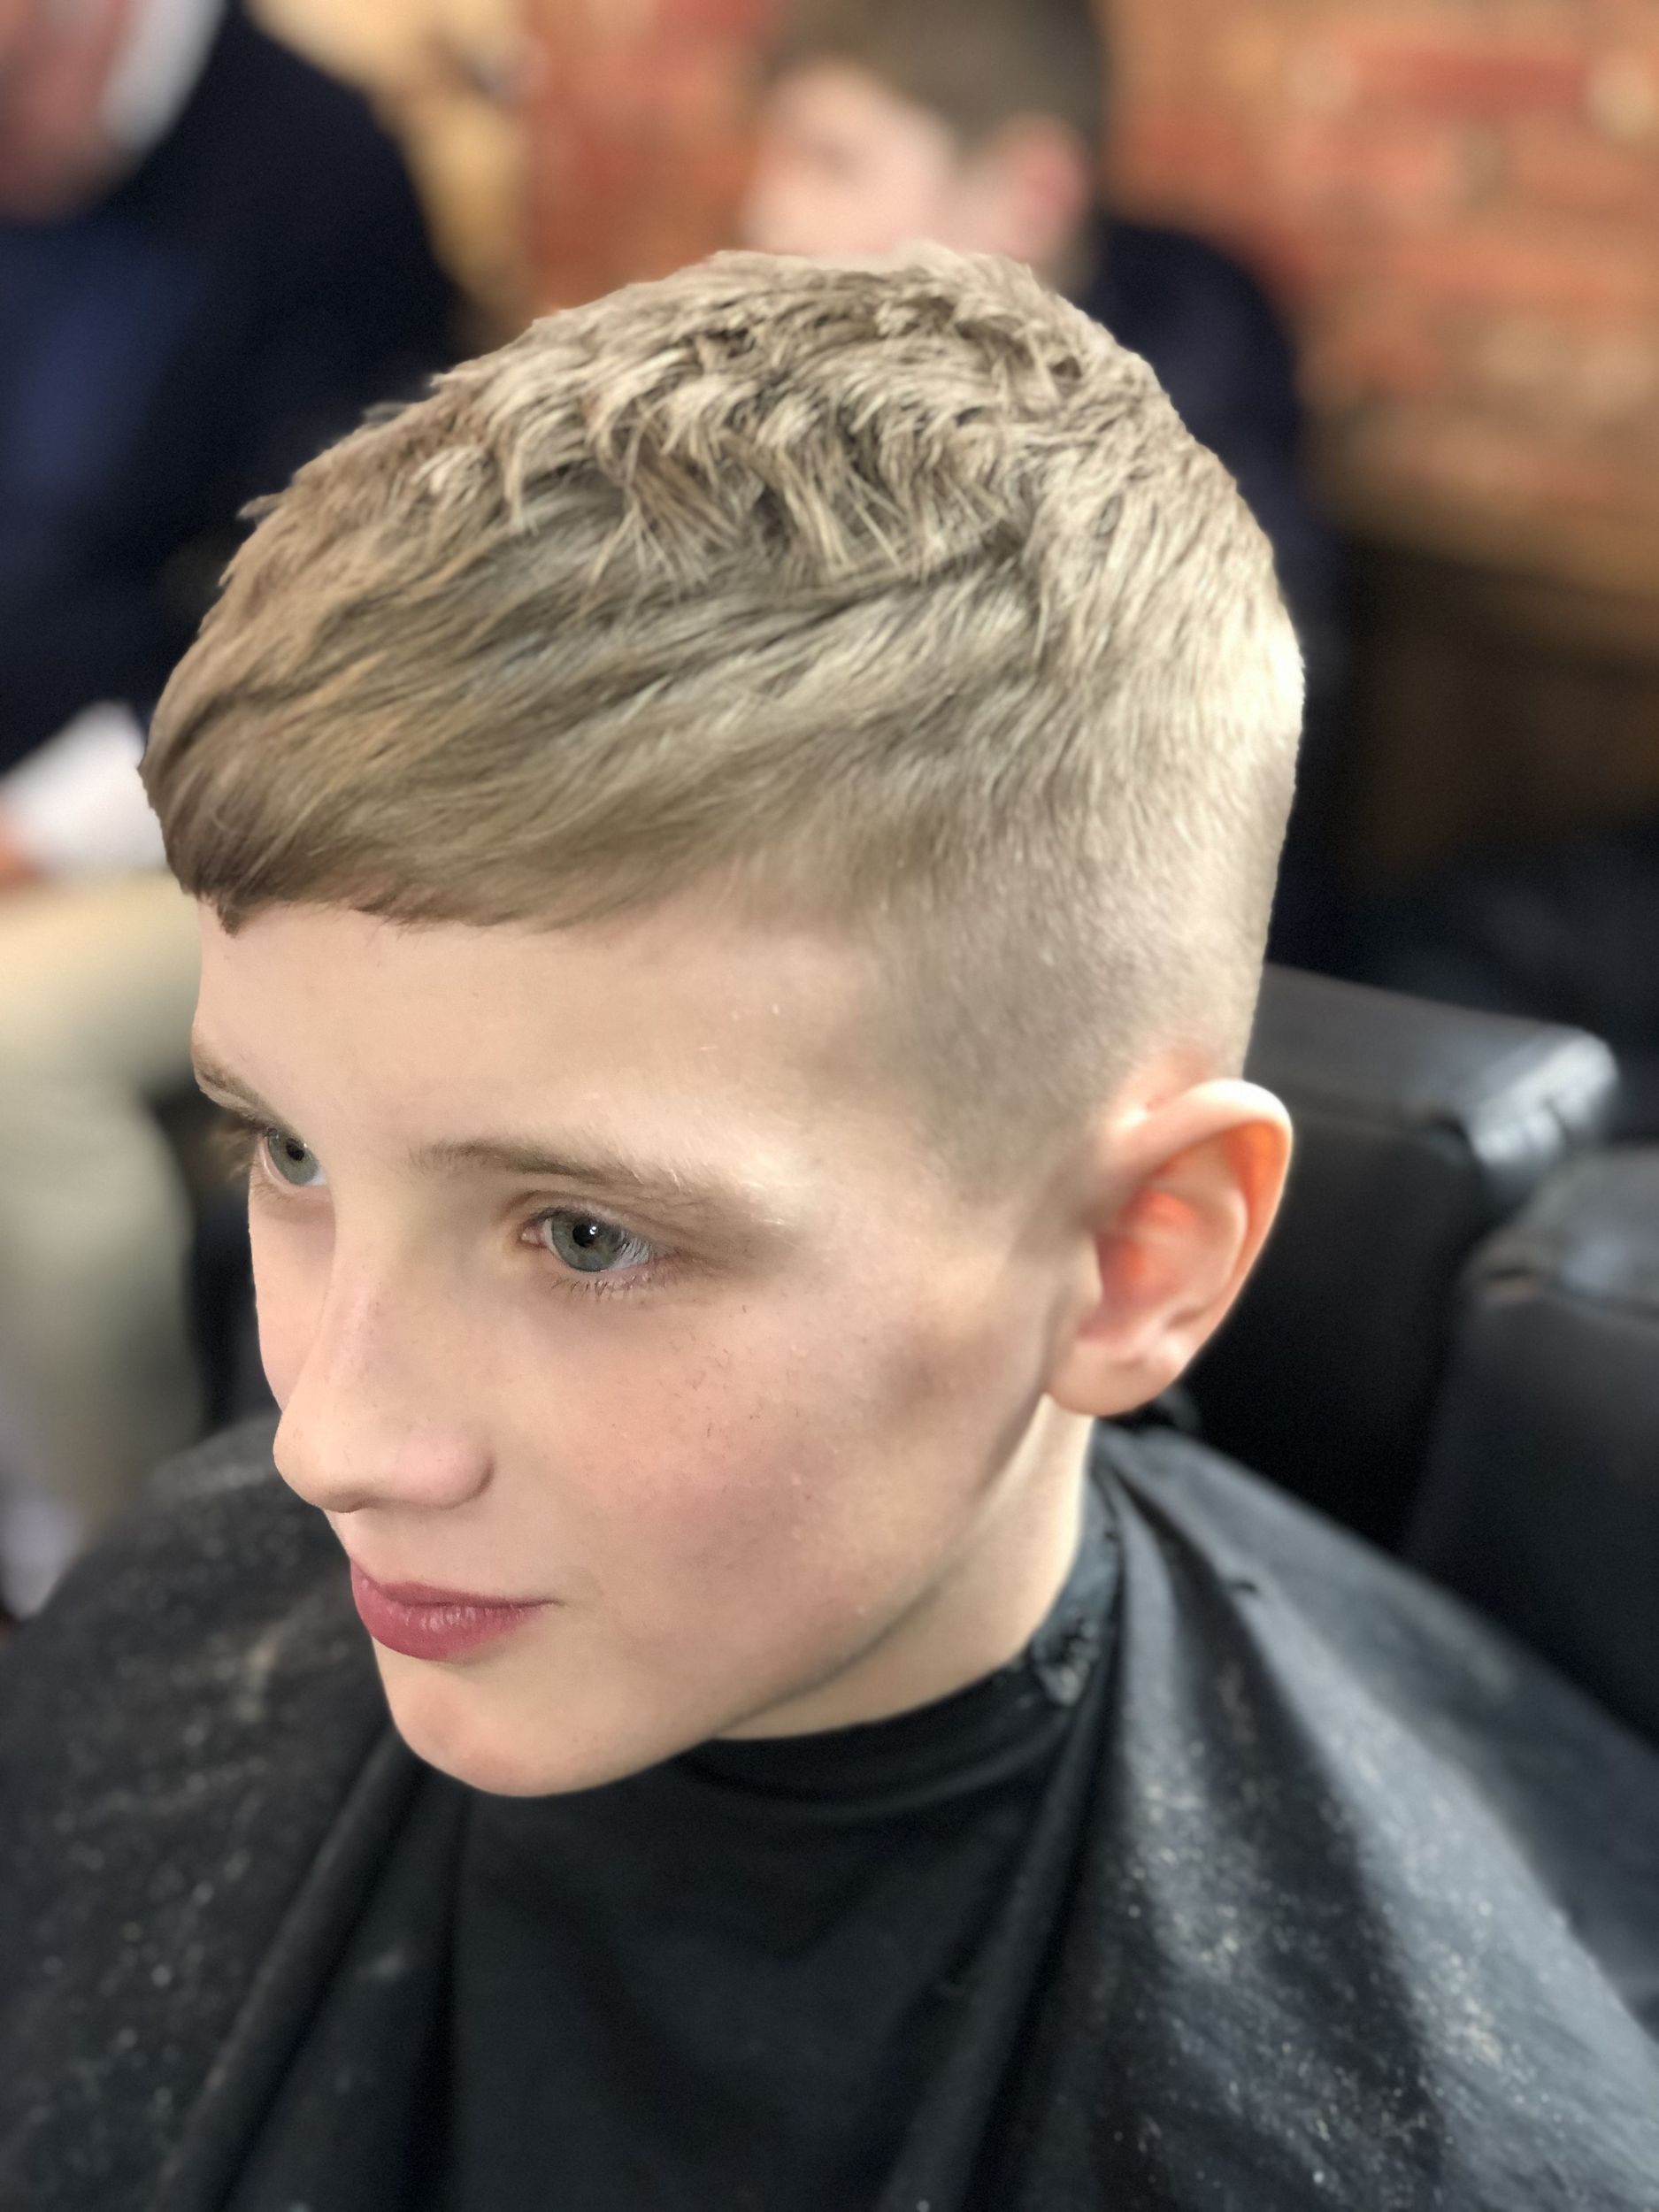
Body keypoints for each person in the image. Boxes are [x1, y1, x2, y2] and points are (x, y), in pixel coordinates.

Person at [1, 250, 1655, 2210]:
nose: (323, 1443)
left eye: (585, 1237)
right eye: (289, 1153)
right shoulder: (173, 1623)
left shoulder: (1442, 2148)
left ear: (1135, 1255)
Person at [0, 0, 456, 1595]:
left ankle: (106, 1585)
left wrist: (40, 831)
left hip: (204, 799)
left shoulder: (318, 175)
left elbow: (320, 613)